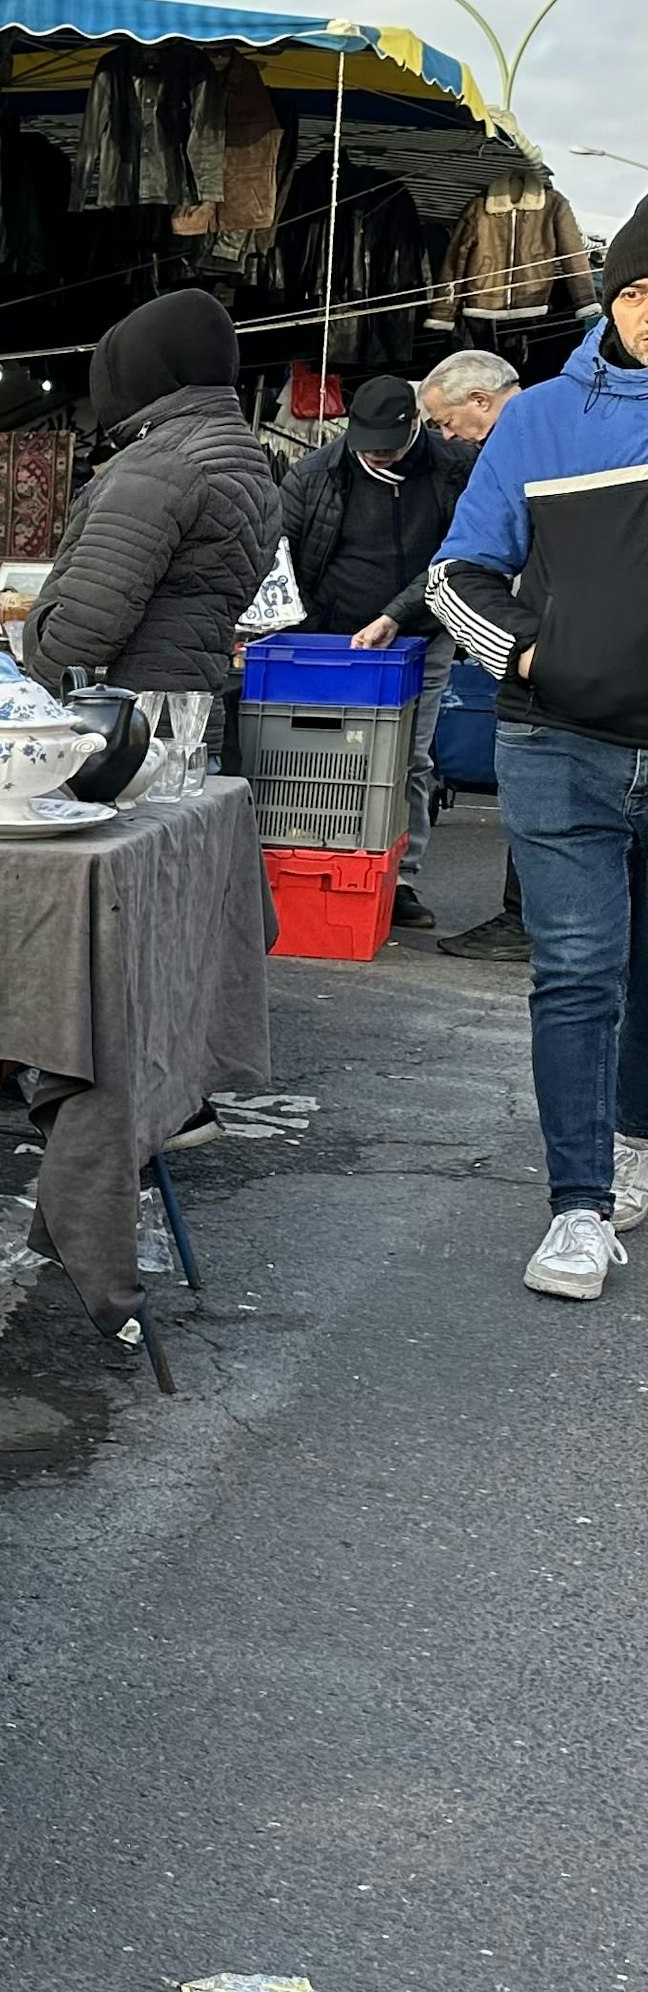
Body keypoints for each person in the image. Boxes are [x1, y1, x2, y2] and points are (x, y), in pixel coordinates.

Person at [426, 194, 648, 1300]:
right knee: (575, 972)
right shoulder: (544, 417)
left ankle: (633, 1145)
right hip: (561, 740)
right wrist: (526, 656)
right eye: (641, 290)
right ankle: (577, 1205)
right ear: (614, 295)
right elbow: (456, 573)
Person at [278, 371, 472, 927]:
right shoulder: (315, 474)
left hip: (421, 635)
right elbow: (280, 560)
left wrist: (398, 616)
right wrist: (303, 627)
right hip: (329, 637)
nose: (378, 456)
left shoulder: (456, 469)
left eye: (389, 446)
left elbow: (460, 555)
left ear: (416, 424)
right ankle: (320, 859)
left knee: (409, 758)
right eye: (368, 446)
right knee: (324, 757)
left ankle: (401, 877)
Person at [23, 289, 282, 699]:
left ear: (144, 371)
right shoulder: (246, 459)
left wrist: (34, 699)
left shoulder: (163, 463)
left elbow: (92, 618)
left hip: (119, 728)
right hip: (189, 714)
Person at [402, 349, 535, 959]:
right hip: (544, 639)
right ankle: (527, 919)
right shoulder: (532, 434)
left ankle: (528, 921)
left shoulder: (531, 438)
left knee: (540, 786)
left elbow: (463, 568)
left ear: (481, 401)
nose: (447, 435)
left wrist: (518, 654)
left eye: (448, 420)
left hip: (544, 645)